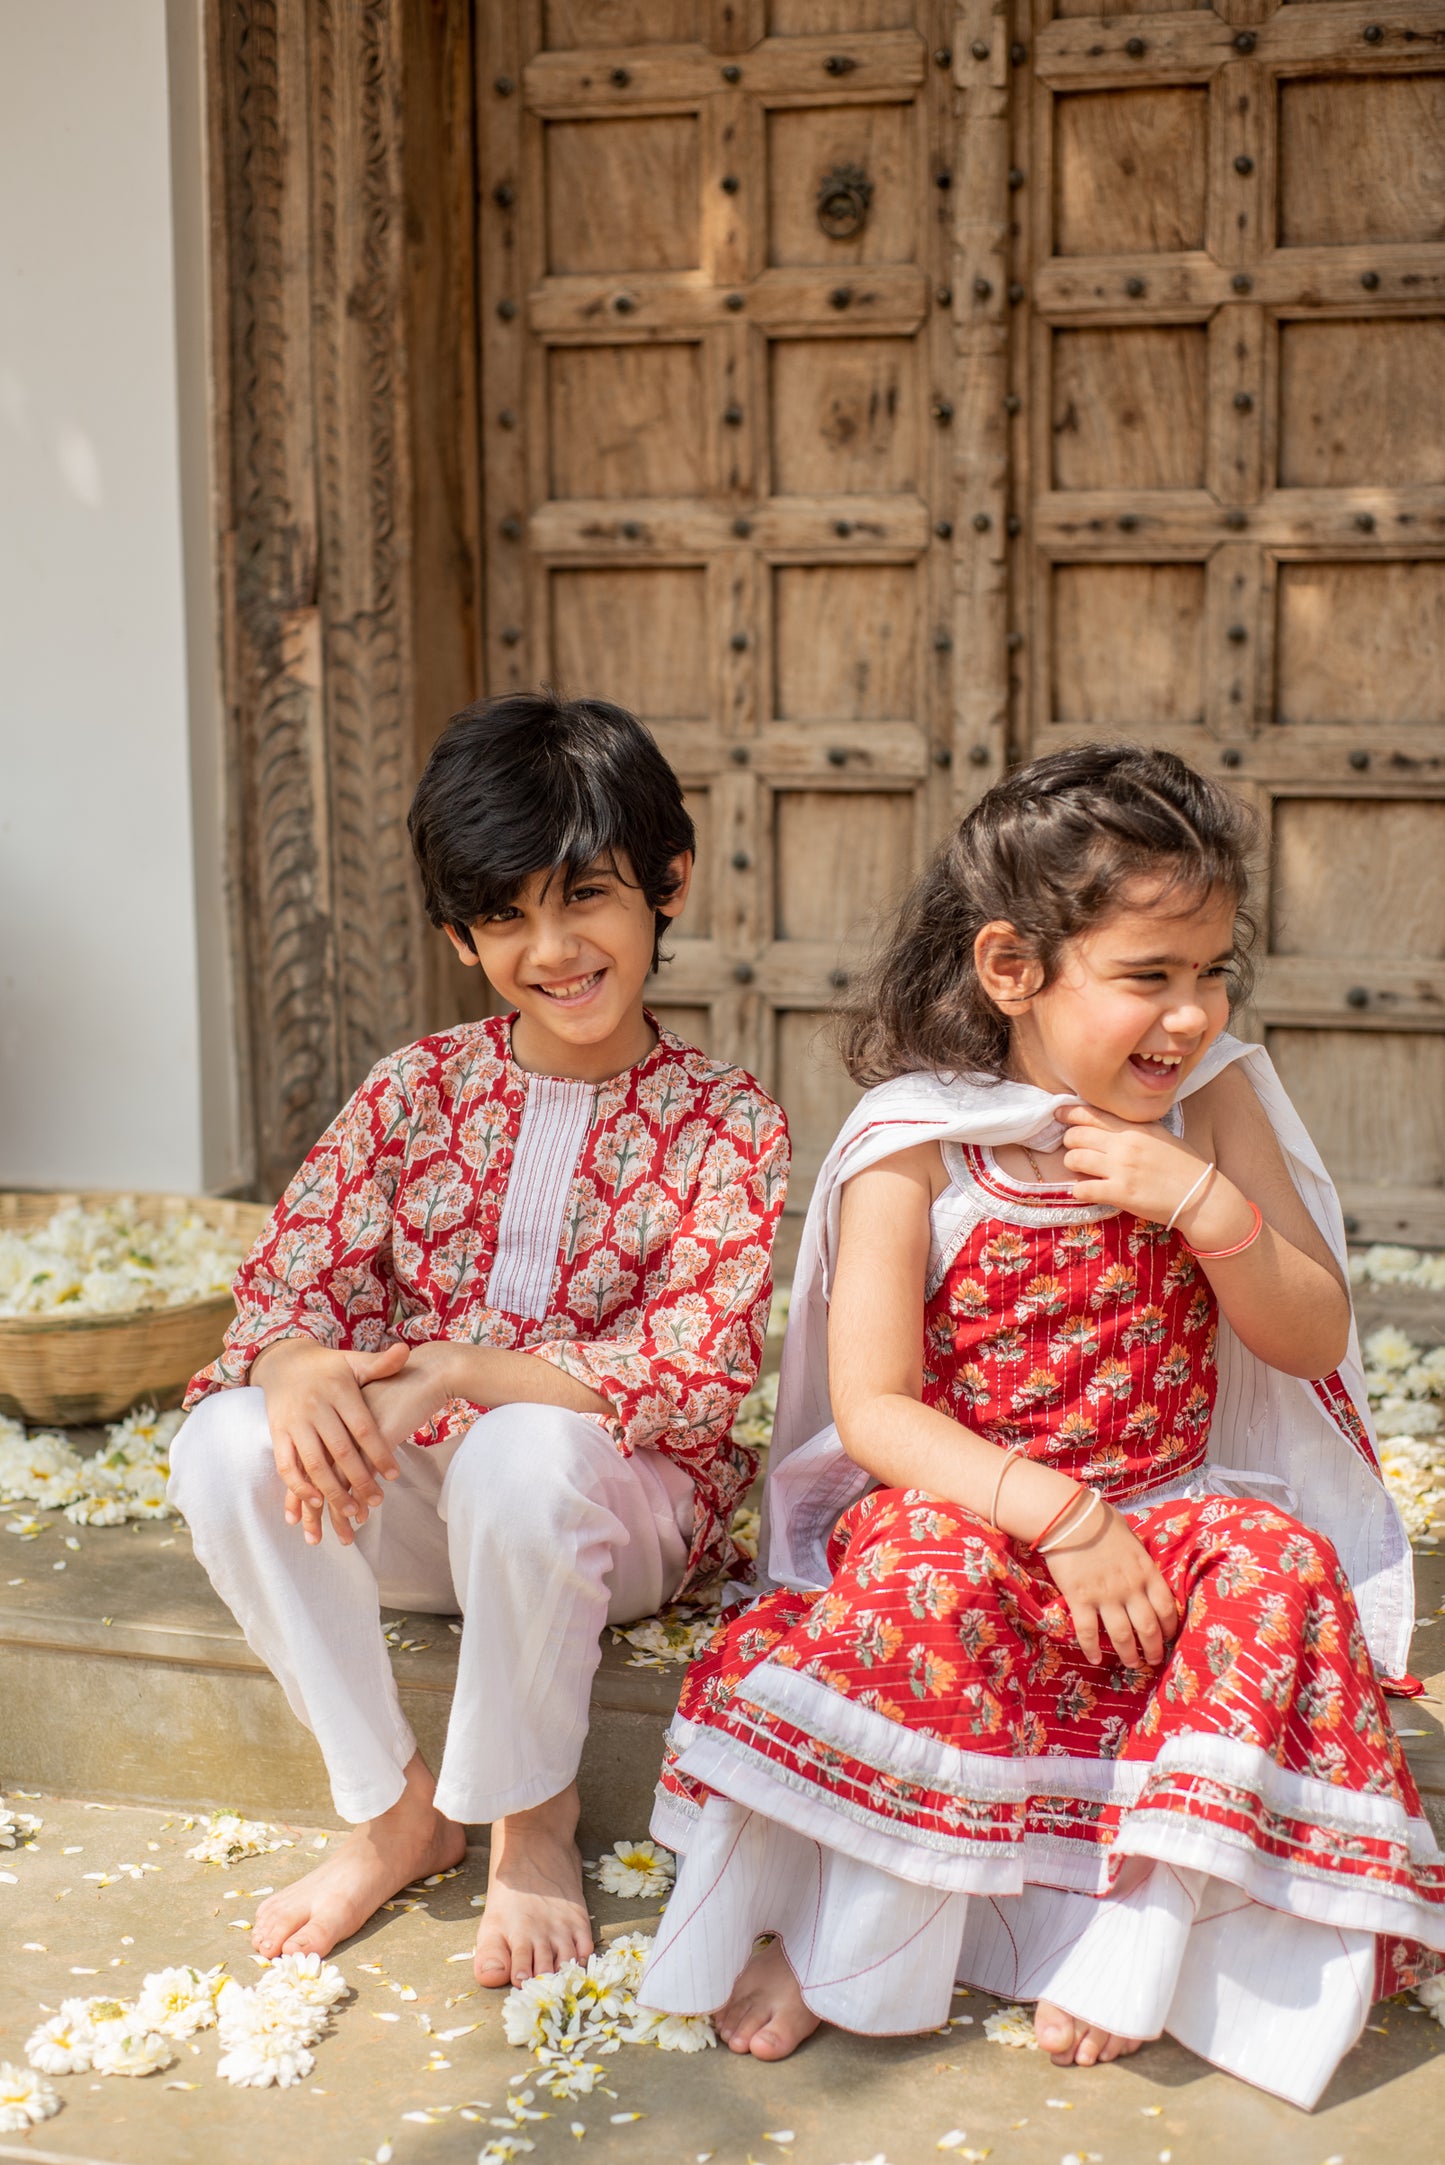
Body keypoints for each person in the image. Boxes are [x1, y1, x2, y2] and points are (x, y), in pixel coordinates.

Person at [639, 742, 1443, 2111]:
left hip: (1165, 1510)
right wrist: (1060, 1517)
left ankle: (1141, 1936)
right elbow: (875, 1407)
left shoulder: (1213, 1104)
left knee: (1278, 1565)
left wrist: (1200, 1202)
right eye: (1148, 974)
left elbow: (1308, 1338)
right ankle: (843, 1939)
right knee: (925, 1580)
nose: (1189, 1013)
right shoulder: (915, 1140)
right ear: (1012, 967)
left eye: (1212, 971)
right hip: (973, 1510)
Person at [169, 691, 788, 1990]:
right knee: (224, 1441)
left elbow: (693, 1374)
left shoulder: (726, 1120)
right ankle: (394, 1809)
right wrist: (296, 1368)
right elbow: (286, 1285)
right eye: (505, 916)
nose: (552, 948)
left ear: (667, 882)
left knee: (524, 1453)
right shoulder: (414, 1090)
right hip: (408, 1512)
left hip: (603, 1520)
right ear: (460, 933)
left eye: (586, 896)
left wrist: (458, 1370)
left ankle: (531, 1817)